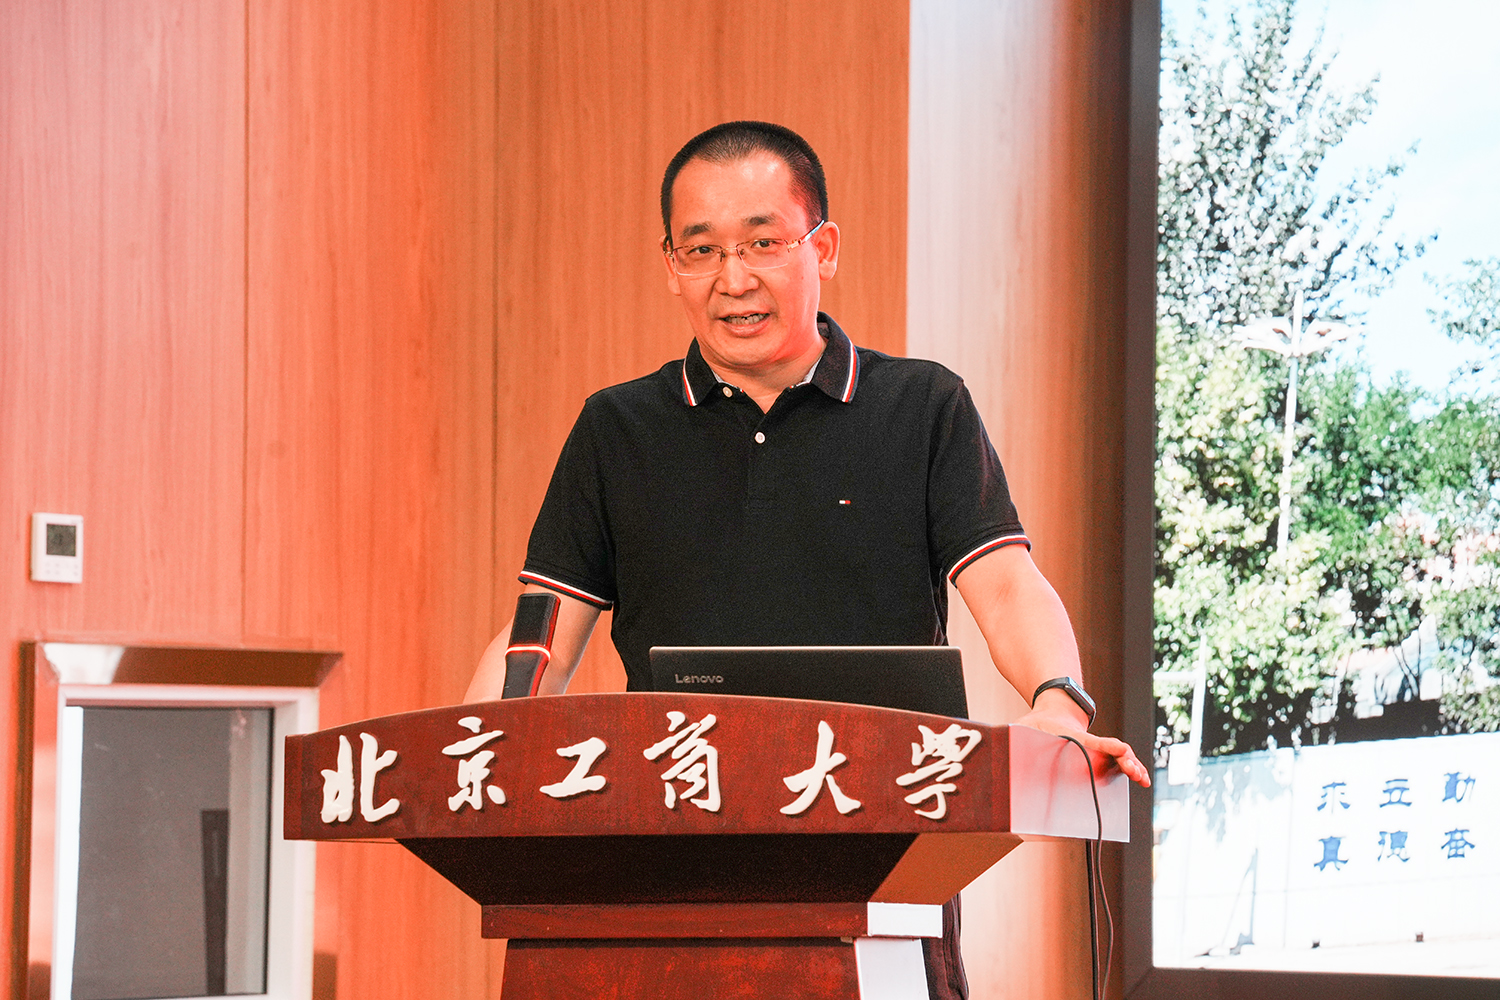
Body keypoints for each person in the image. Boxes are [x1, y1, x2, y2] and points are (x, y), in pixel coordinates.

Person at [465, 120, 1149, 999]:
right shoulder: (617, 428)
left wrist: (1058, 701)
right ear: (670, 264)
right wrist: (469, 749)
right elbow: (539, 631)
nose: (733, 279)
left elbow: (1007, 583)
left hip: (885, 848)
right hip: (670, 846)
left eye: (762, 243)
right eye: (701, 250)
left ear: (822, 248)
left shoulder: (922, 406)